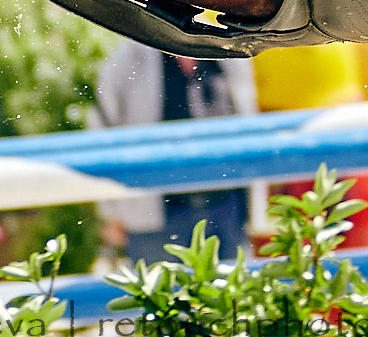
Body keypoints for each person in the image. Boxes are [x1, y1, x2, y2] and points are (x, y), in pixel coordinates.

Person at [90, 40, 258, 264]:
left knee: (233, 294)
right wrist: (111, 212)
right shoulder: (130, 57)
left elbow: (248, 123)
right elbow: (103, 131)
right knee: (164, 296)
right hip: (157, 218)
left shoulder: (229, 49)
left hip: (226, 210)